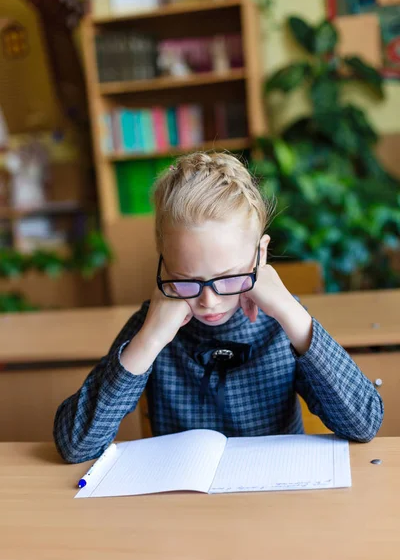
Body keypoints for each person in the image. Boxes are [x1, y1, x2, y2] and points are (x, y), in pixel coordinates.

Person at [54, 152, 383, 463]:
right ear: (163, 260)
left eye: (229, 279)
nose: (208, 301)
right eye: (185, 279)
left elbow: (364, 424)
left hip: (274, 503)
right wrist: (150, 341)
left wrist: (290, 313)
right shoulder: (151, 325)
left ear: (260, 255)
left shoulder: (283, 323)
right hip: (186, 503)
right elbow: (76, 446)